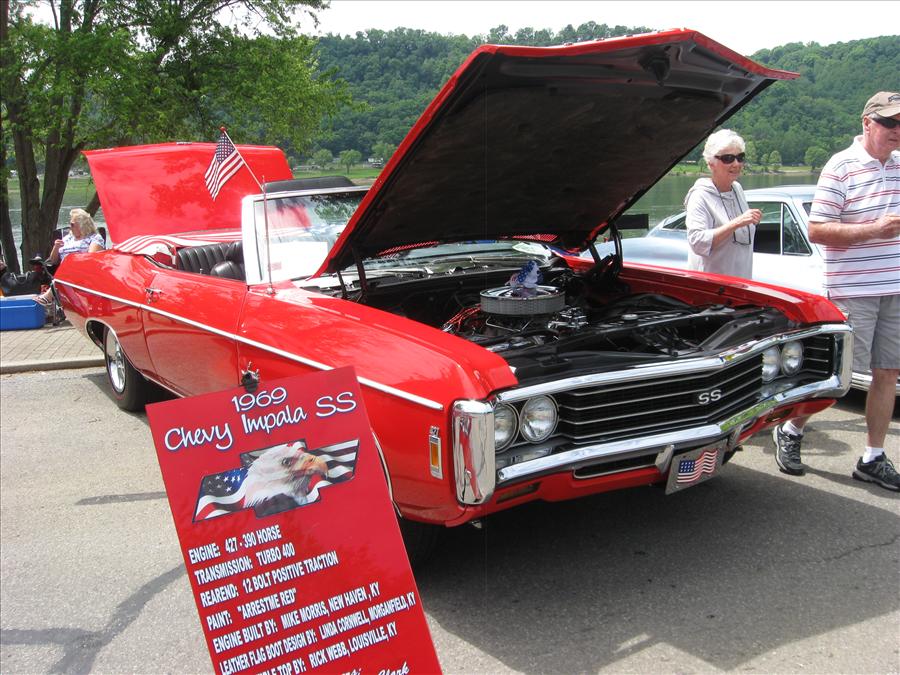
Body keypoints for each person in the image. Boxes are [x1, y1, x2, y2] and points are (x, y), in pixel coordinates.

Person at [772, 91, 900, 491]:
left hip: (895, 287)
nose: (897, 130)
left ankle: (872, 457)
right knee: (837, 377)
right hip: (853, 288)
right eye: (890, 122)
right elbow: (817, 230)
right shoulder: (841, 166)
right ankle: (790, 429)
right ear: (867, 122)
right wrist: (874, 230)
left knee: (887, 373)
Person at [684, 129, 762, 278]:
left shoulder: (737, 189)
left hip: (740, 284)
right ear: (711, 163)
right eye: (728, 158)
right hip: (711, 286)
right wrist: (737, 222)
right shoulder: (700, 196)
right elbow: (697, 242)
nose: (736, 164)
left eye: (740, 157)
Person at [35, 208, 105, 306]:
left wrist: (73, 261)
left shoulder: (94, 238)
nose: (69, 227)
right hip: (64, 271)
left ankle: (48, 297)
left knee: (68, 268)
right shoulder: (68, 238)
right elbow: (52, 261)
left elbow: (91, 259)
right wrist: (56, 247)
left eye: (72, 224)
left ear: (82, 225)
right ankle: (57, 297)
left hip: (83, 271)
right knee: (64, 269)